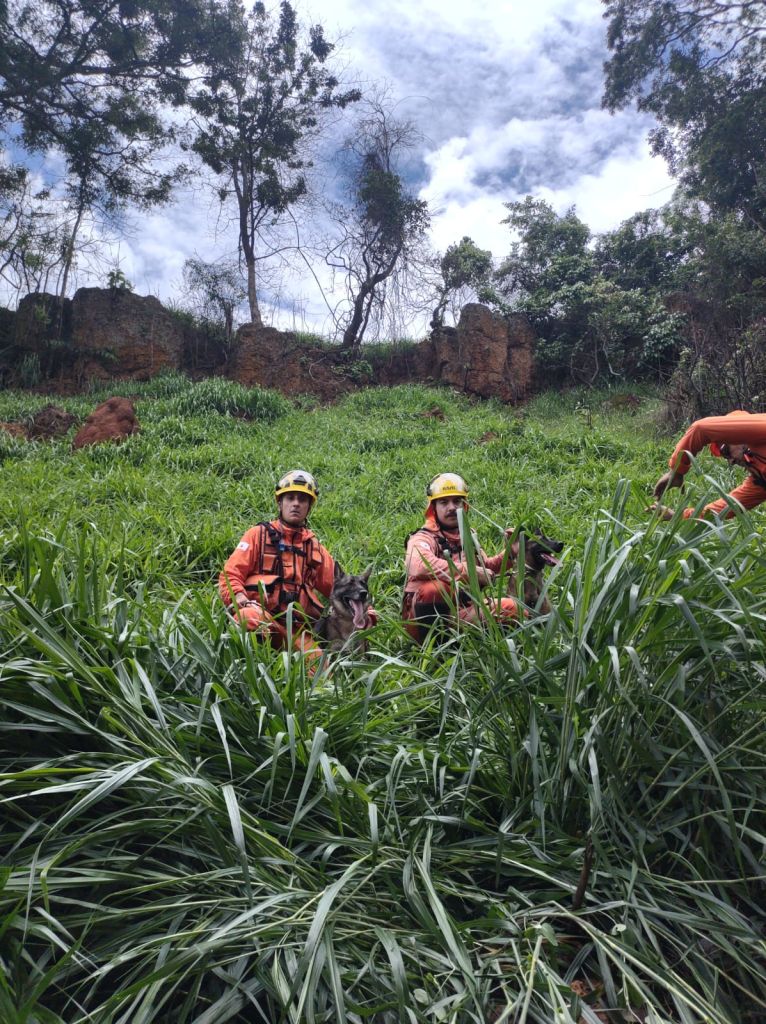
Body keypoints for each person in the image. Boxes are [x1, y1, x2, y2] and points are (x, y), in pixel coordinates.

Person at [219, 469, 373, 665]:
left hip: (298, 630)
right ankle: (252, 673)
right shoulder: (257, 535)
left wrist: (366, 611)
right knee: (249, 618)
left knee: (322, 674)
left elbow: (339, 587)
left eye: (302, 500)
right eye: (290, 498)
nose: (296, 504)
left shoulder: (313, 546)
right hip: (263, 616)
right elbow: (230, 574)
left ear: (309, 507)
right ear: (280, 503)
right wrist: (239, 596)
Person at [402, 472, 520, 642]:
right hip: (421, 622)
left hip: (461, 611)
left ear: (464, 505)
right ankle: (434, 653)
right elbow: (418, 565)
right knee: (435, 589)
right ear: (433, 507)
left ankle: (475, 646)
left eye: (457, 501)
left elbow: (486, 568)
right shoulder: (422, 537)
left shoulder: (468, 535)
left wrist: (510, 553)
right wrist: (468, 572)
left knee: (514, 609)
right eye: (444, 502)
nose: (451, 507)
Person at [651, 410, 766, 520]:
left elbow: (700, 429)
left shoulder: (761, 427)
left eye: (726, 451)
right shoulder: (760, 481)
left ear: (736, 435)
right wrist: (677, 516)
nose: (731, 461)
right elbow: (723, 509)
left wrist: (676, 471)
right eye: (726, 457)